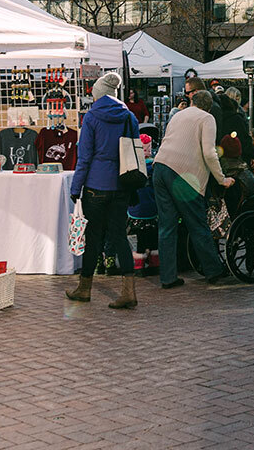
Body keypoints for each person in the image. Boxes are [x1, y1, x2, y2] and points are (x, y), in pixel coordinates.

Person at [66, 72, 140, 309]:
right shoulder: (129, 117)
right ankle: (129, 291)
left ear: (98, 94)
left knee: (93, 237)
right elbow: (135, 149)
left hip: (96, 185)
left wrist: (75, 187)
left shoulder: (91, 117)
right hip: (122, 184)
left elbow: (84, 157)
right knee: (119, 236)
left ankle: (84, 288)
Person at [152, 89, 236, 288]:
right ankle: (213, 271)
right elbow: (209, 152)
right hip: (183, 175)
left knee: (166, 227)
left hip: (160, 167)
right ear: (208, 106)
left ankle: (168, 277)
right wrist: (221, 178)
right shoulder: (207, 118)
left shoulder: (178, 115)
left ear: (193, 102)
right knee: (197, 224)